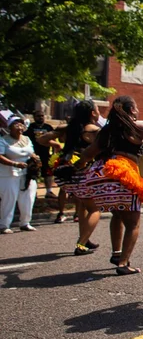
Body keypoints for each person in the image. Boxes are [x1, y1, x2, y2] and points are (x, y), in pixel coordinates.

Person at [74, 97, 143, 274]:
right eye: (136, 107)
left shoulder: (107, 130)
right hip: (123, 175)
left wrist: (73, 166)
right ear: (132, 110)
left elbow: (87, 154)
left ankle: (117, 253)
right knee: (133, 223)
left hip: (102, 177)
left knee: (117, 214)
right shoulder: (136, 127)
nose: (138, 111)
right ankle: (123, 263)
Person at [38, 100, 103, 247]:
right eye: (98, 110)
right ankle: (82, 243)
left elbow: (41, 139)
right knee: (95, 209)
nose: (99, 113)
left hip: (66, 176)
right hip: (85, 174)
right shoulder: (93, 131)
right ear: (92, 113)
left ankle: (84, 238)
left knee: (82, 206)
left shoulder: (68, 128)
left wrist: (55, 144)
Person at [0, 116, 41, 233]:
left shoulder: (27, 139)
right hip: (9, 173)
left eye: (21, 124)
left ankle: (25, 222)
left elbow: (31, 152)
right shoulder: (3, 140)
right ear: (9, 127)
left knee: (28, 197)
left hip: (27, 173)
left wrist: (35, 158)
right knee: (9, 198)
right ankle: (4, 225)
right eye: (16, 124)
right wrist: (15, 163)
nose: (19, 127)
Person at [26, 110, 55, 200]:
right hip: (35, 155)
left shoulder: (48, 127)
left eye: (42, 116)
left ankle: (49, 191)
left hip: (46, 154)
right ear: (34, 117)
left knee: (48, 173)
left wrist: (53, 153)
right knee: (34, 173)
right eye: (38, 116)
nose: (41, 117)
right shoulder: (30, 128)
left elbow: (54, 140)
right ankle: (34, 192)